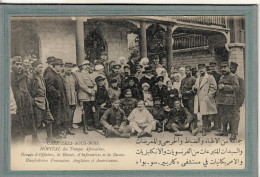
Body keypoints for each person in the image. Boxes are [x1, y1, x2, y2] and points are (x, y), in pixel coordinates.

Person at [28, 60, 55, 142]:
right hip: (36, 102)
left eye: (42, 67)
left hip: (44, 102)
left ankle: (50, 138)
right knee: (36, 122)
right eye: (39, 67)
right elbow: (28, 91)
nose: (41, 69)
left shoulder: (40, 76)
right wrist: (32, 101)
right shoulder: (31, 77)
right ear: (34, 67)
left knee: (49, 119)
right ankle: (35, 140)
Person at [11, 57, 36, 143]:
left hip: (24, 102)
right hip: (15, 103)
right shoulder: (11, 76)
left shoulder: (23, 74)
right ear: (12, 64)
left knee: (25, 123)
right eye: (17, 64)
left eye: (20, 64)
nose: (19, 66)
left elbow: (26, 89)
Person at [45, 58, 69, 139]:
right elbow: (49, 87)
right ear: (54, 66)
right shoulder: (50, 74)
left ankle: (58, 132)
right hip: (55, 100)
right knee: (56, 116)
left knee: (59, 116)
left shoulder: (56, 74)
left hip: (59, 99)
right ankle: (55, 134)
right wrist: (58, 94)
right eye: (59, 65)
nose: (61, 67)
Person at [215, 61, 240, 142]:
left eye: (225, 67)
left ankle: (233, 134)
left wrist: (225, 86)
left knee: (231, 117)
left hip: (230, 100)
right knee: (223, 116)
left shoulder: (233, 77)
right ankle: (224, 131)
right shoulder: (222, 77)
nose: (223, 69)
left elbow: (236, 87)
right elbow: (219, 87)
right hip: (221, 100)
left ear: (228, 68)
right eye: (222, 68)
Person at [193, 63, 217, 136]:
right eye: (199, 68)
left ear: (205, 69)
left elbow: (214, 87)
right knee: (201, 114)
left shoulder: (210, 77)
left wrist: (209, 96)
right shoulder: (198, 78)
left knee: (205, 115)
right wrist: (194, 87)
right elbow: (198, 87)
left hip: (206, 98)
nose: (201, 70)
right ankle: (205, 128)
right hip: (199, 98)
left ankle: (205, 129)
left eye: (202, 68)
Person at [74, 60, 97, 133]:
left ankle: (90, 125)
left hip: (91, 95)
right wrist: (90, 91)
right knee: (85, 111)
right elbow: (81, 85)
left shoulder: (91, 75)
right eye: (85, 65)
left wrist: (94, 90)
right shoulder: (79, 74)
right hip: (84, 94)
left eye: (88, 65)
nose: (87, 67)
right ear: (82, 66)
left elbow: (95, 84)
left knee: (90, 110)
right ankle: (85, 126)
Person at [229, 62, 245, 138]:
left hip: (236, 101)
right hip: (229, 101)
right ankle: (231, 129)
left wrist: (240, 102)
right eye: (230, 68)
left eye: (233, 69)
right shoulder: (228, 77)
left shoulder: (240, 78)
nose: (231, 70)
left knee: (235, 116)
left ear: (235, 69)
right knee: (229, 115)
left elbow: (242, 92)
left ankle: (234, 133)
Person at [62, 62, 78, 135]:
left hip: (73, 99)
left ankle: (69, 128)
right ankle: (64, 129)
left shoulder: (74, 76)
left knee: (71, 114)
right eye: (67, 67)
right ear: (64, 67)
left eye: (70, 67)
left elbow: (77, 86)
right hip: (65, 99)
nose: (69, 69)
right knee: (65, 114)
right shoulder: (62, 76)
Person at [208, 62, 222, 130]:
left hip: (216, 95)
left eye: (213, 66)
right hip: (208, 95)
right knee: (208, 110)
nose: (212, 68)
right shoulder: (207, 75)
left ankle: (218, 126)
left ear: (215, 67)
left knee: (216, 110)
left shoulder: (219, 75)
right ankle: (209, 125)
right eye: (211, 66)